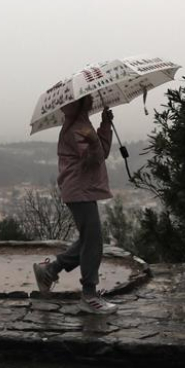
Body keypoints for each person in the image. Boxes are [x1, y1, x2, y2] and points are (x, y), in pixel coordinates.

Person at [32, 94, 119, 315]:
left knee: (90, 238)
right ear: (80, 103)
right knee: (94, 241)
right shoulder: (76, 128)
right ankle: (89, 295)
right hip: (79, 188)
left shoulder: (80, 123)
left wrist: (105, 126)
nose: (91, 99)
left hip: (82, 188)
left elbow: (101, 152)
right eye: (86, 97)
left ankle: (49, 270)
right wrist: (93, 140)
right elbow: (94, 159)